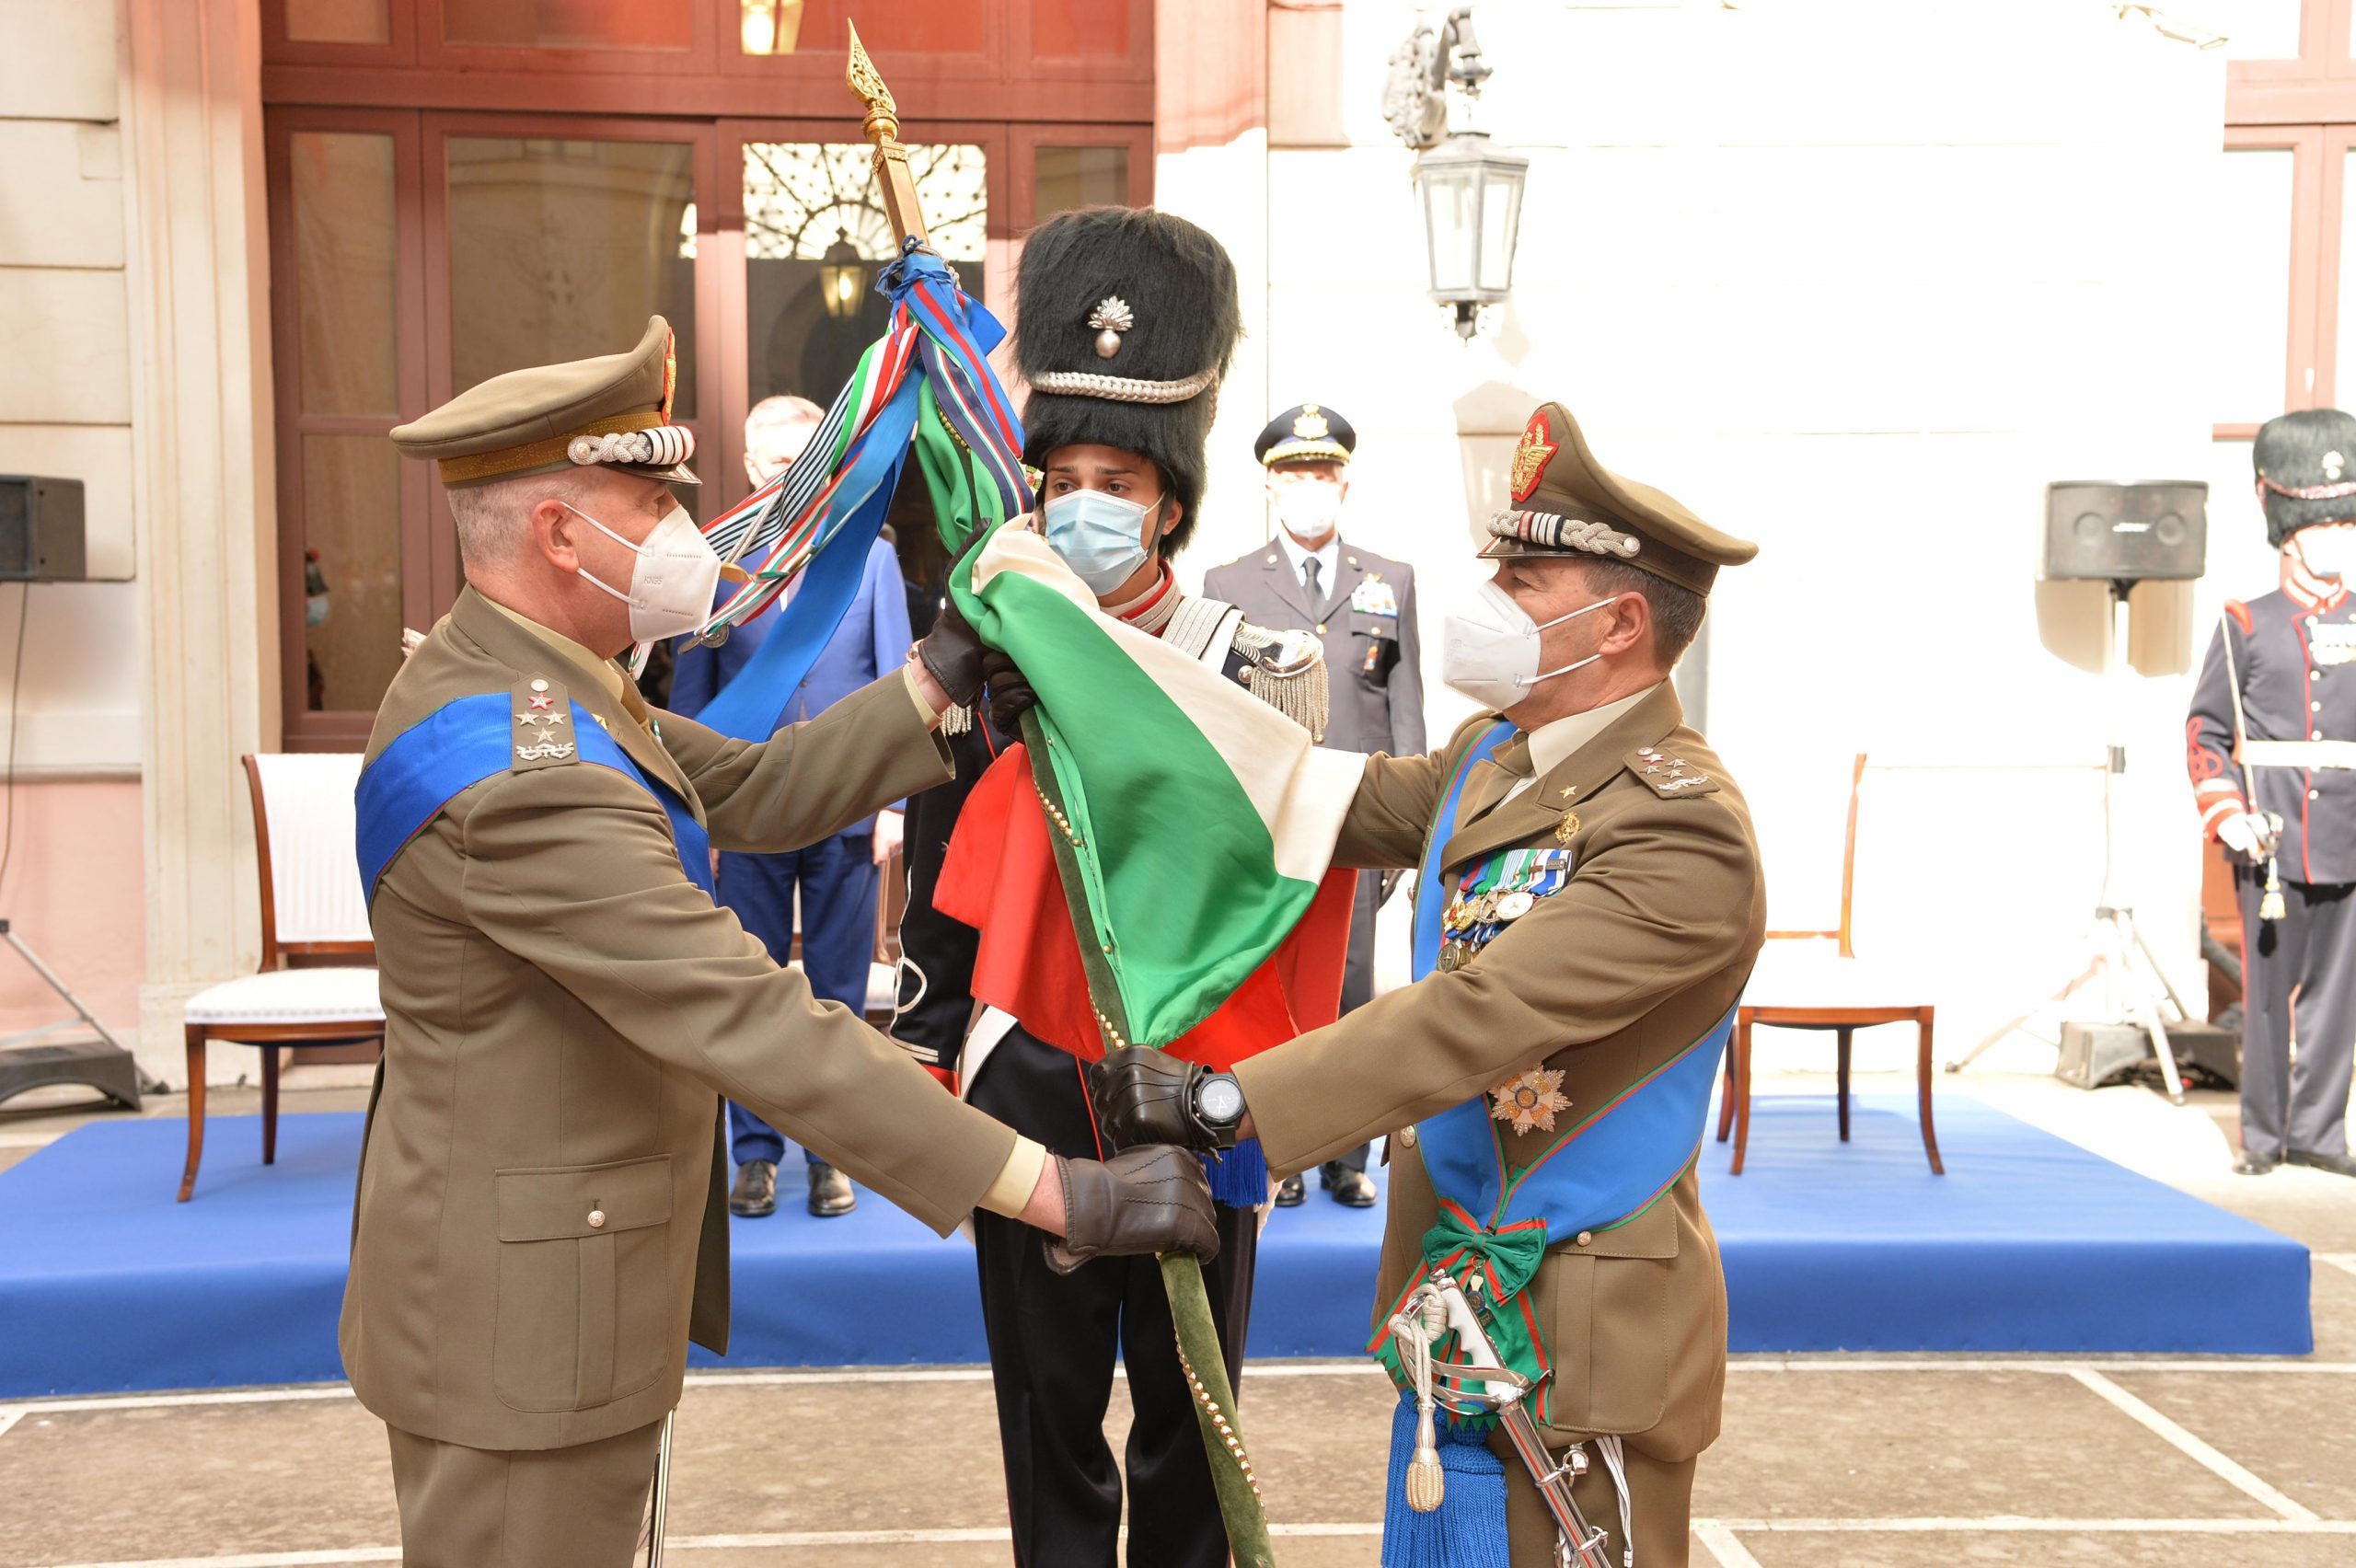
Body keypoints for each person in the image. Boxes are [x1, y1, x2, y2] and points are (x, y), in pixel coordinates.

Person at [345, 315, 1219, 1568]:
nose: (685, 536)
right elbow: (752, 1016)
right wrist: (1055, 1186)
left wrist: (942, 669)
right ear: (556, 533)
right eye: (650, 502)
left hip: (550, 1292)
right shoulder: (519, 763)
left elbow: (753, 789)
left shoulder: (551, 685)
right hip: (516, 1330)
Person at [1086, 402, 1764, 1568]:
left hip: (1576, 1319)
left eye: (1526, 578)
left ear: (1620, 623)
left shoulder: (1681, 830)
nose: (1488, 595)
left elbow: (1481, 1013)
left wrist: (1227, 1104)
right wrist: (1104, 693)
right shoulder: (1493, 757)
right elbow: (1305, 797)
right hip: (1460, 1294)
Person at [894, 206, 1329, 1568]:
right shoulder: (996, 649)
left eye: (1119, 484)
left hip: (1197, 1075)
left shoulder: (1255, 665)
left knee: (1195, 1419)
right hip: (1032, 1069)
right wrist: (922, 1033)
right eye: (1063, 476)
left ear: (1172, 506)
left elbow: (1296, 874)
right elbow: (941, 872)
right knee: (1049, 1418)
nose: (1086, 505)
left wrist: (1283, 1082)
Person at [671, 394, 911, 1219]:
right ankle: (758, 1154)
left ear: (828, 462)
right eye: (772, 459)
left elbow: (895, 692)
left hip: (847, 812)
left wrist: (896, 808)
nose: (787, 470)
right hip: (749, 814)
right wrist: (698, 818)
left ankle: (832, 1156)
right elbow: (694, 707)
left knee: (839, 997)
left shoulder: (869, 558)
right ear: (746, 467)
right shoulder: (717, 566)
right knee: (755, 989)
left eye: (801, 456)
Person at [1204, 402, 1425, 1207]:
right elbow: (1220, 711)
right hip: (1271, 820)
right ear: (1270, 486)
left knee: (1355, 991)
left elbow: (1407, 711)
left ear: (1344, 482)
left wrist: (1412, 830)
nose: (1310, 487)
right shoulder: (1228, 583)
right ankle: (1280, 1152)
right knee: (1275, 983)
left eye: (1322, 474)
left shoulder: (1388, 580)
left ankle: (1347, 1158)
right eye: (1295, 475)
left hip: (1361, 819)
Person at [2187, 407, 2356, 1180]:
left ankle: (2320, 1134)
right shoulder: (2244, 623)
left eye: (2348, 526)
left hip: (2349, 838)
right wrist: (2229, 816)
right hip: (2273, 835)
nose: (2340, 541)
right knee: (2263, 1002)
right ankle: (2263, 1136)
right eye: (2324, 528)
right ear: (2288, 530)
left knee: (2338, 1004)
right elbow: (2205, 733)